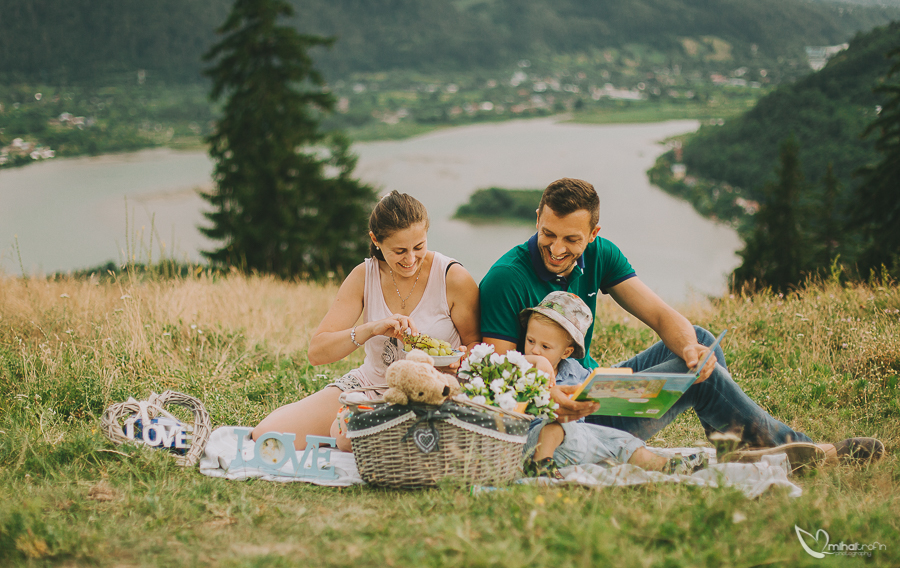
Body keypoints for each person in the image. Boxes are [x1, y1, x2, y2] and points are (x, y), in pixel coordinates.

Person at [479, 177, 885, 468]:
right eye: (548, 233)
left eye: (572, 239)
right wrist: (555, 401)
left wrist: (688, 348)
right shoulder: (505, 279)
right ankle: (803, 451)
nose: (557, 248)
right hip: (559, 418)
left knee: (699, 341)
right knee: (700, 376)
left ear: (593, 233)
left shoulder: (601, 253)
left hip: (590, 392)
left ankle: (735, 447)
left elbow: (660, 315)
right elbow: (500, 379)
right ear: (537, 219)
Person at [252, 191, 481, 450]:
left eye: (419, 247)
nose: (410, 259)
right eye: (399, 251)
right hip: (371, 385)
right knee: (267, 435)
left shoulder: (453, 277)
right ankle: (371, 432)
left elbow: (475, 344)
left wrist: (460, 361)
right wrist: (370, 329)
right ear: (376, 240)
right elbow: (317, 353)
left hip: (429, 392)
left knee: (348, 436)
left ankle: (373, 436)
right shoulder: (364, 275)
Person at [520, 291, 708, 477]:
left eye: (545, 347)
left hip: (579, 440)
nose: (535, 350)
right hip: (533, 441)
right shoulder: (521, 366)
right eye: (530, 341)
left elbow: (595, 391)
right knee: (557, 422)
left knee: (621, 440)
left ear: (566, 352)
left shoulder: (576, 371)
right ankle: (539, 466)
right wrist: (538, 365)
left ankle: (666, 466)